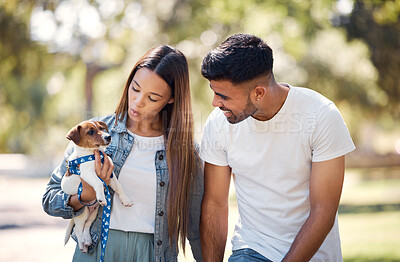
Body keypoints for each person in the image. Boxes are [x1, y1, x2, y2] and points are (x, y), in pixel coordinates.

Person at [199, 33, 355, 262]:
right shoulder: (218, 123)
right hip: (251, 249)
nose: (215, 103)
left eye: (223, 96)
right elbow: (214, 203)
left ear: (259, 93)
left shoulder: (321, 115)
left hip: (314, 255)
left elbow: (323, 210)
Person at [42, 45, 203, 262]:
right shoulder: (92, 135)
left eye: (153, 98)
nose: (137, 102)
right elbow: (49, 198)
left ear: (171, 99)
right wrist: (84, 195)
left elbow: (196, 226)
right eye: (135, 89)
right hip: (97, 249)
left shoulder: (186, 152)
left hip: (153, 254)